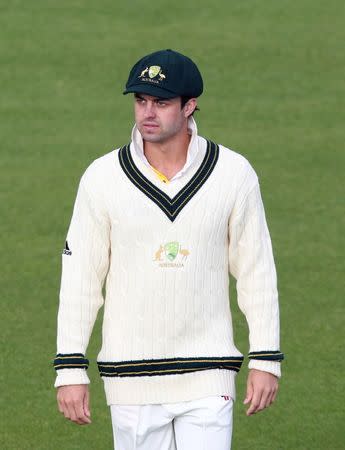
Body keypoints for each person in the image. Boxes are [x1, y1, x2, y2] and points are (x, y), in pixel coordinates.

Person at [54, 49, 284, 450]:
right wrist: (70, 369)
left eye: (161, 102)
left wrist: (265, 359)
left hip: (209, 375)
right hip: (131, 379)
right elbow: (81, 279)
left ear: (190, 105)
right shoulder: (101, 178)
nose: (147, 112)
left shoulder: (233, 174)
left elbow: (256, 271)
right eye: (141, 101)